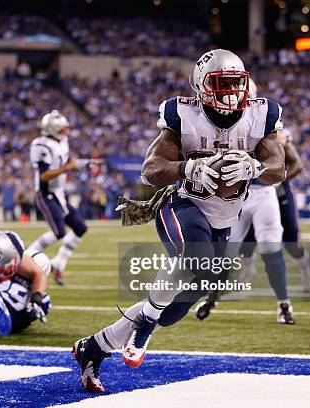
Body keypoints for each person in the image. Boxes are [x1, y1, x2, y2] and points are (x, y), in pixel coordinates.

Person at [72, 49, 286, 392]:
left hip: (223, 221)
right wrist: (186, 167)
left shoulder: (262, 116)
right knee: (194, 258)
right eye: (222, 84)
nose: (231, 93)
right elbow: (151, 169)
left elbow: (279, 167)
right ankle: (146, 324)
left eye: (236, 84)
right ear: (202, 87)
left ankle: (94, 347)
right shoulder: (183, 115)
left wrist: (256, 167)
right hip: (183, 207)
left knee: (177, 307)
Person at [194, 79, 296, 324]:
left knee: (271, 246)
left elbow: (281, 166)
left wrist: (257, 168)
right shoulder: (212, 124)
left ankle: (284, 303)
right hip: (235, 199)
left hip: (262, 194)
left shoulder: (265, 122)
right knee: (225, 254)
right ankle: (212, 297)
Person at [28, 110, 88, 285]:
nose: (66, 132)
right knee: (59, 232)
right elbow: (44, 175)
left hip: (59, 193)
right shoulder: (41, 145)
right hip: (46, 194)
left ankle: (58, 264)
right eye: (63, 129)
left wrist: (83, 163)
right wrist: (68, 167)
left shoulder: (62, 141)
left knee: (80, 227)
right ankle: (26, 257)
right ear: (53, 129)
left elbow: (66, 161)